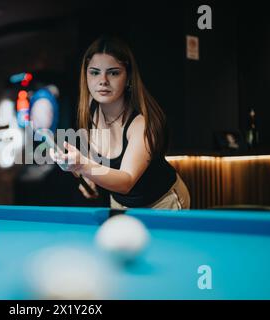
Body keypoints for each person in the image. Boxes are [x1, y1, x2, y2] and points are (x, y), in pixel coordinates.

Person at [51, 36, 190, 209]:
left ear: (128, 77)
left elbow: (126, 181)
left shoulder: (142, 123)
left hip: (162, 202)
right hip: (120, 203)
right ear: (86, 76)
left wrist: (84, 166)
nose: (103, 81)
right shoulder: (89, 111)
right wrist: (90, 177)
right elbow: (100, 163)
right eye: (94, 72)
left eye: (113, 72)